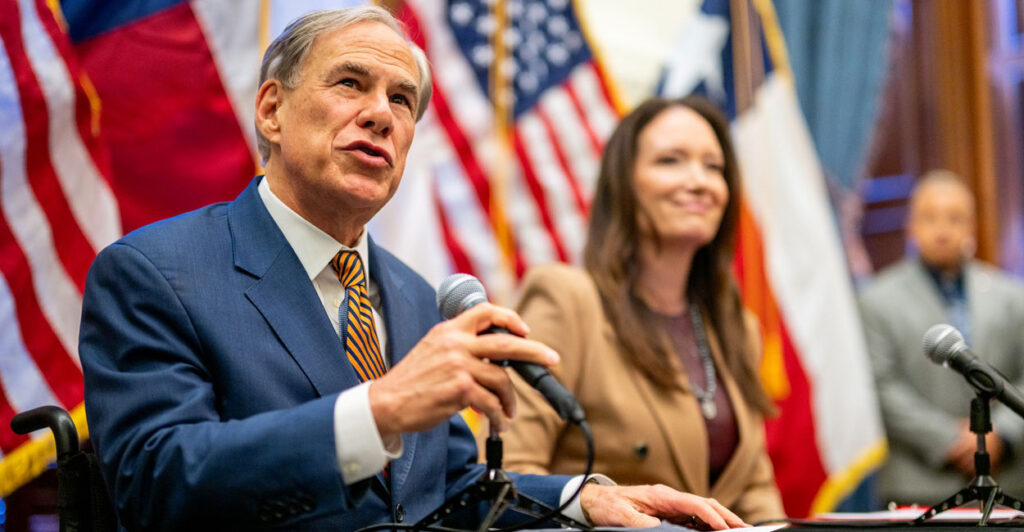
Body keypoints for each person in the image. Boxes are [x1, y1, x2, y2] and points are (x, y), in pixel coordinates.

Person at [78, 7, 749, 531]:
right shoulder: (155, 273)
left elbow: (449, 487)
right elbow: (156, 485)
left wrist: (583, 498)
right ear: (272, 110)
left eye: (402, 100)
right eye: (350, 83)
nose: (380, 114)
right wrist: (381, 410)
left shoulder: (415, 294)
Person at [500, 96, 785, 523]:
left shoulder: (736, 327)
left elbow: (754, 491)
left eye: (714, 167)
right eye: (671, 161)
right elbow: (509, 479)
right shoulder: (567, 301)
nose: (700, 181)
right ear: (624, 185)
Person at [860, 170, 1024, 505]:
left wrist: (1000, 435)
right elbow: (881, 386)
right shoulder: (876, 300)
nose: (943, 229)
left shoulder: (1012, 296)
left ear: (972, 226)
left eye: (954, 218)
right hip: (917, 487)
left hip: (1005, 485)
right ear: (910, 226)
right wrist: (951, 440)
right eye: (930, 217)